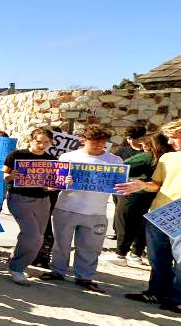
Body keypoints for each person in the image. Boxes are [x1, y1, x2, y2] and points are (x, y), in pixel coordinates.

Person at [41, 124, 122, 293]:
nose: (99, 146)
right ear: (84, 140)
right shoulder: (68, 157)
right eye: (95, 142)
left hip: (96, 211)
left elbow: (119, 185)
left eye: (102, 143)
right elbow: (53, 184)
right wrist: (63, 182)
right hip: (66, 207)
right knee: (61, 244)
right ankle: (57, 271)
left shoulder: (115, 161)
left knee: (90, 247)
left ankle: (85, 277)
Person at [118, 119, 181, 313]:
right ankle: (155, 293)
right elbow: (156, 185)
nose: (169, 142)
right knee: (157, 258)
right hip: (159, 212)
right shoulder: (167, 158)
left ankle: (177, 299)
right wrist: (141, 185)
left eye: (174, 137)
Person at [3, 127, 56, 285]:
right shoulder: (17, 155)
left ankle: (16, 260)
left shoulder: (52, 160)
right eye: (38, 141)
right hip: (19, 198)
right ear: (31, 140)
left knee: (37, 237)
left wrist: (59, 184)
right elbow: (3, 174)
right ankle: (16, 268)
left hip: (43, 201)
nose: (42, 145)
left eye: (46, 142)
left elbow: (52, 183)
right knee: (32, 235)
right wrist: (9, 176)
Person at [108, 130, 167, 267]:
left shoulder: (147, 157)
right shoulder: (167, 158)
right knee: (142, 225)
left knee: (124, 223)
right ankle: (136, 253)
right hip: (153, 194)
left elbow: (121, 167)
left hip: (133, 193)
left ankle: (120, 254)